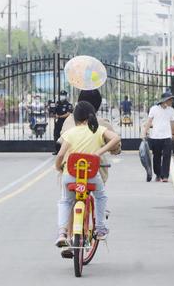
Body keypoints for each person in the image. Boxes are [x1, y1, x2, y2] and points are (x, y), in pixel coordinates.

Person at [54, 101, 121, 247]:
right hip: (91, 176)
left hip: (70, 175)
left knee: (66, 201)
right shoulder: (98, 130)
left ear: (75, 118)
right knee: (100, 196)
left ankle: (62, 233)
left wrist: (58, 167)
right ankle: (100, 228)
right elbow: (116, 138)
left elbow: (60, 155)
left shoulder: (69, 133)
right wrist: (99, 152)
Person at [59, 89, 121, 182]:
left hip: (70, 170)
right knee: (100, 196)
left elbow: (60, 147)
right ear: (97, 105)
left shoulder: (68, 121)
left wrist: (58, 166)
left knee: (66, 195)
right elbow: (116, 145)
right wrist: (107, 150)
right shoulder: (101, 124)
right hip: (93, 171)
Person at [142, 91, 174, 182]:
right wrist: (144, 132)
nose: (171, 101)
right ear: (165, 100)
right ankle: (158, 174)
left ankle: (165, 176)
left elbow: (173, 123)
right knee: (156, 157)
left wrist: (173, 134)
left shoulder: (171, 110)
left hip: (167, 137)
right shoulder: (154, 109)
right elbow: (149, 121)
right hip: (155, 137)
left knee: (167, 156)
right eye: (170, 100)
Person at [52, 90, 73, 155]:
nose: (62, 96)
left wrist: (59, 116)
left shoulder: (68, 105)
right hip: (58, 123)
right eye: (61, 95)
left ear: (66, 96)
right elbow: (53, 112)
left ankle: (65, 151)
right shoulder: (57, 104)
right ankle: (57, 150)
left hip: (65, 123)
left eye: (63, 95)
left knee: (65, 136)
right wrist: (54, 114)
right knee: (56, 135)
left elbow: (68, 113)